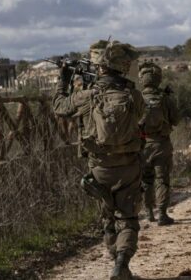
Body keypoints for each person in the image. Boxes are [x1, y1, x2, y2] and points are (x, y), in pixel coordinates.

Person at [53, 40, 143, 279]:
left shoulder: (87, 96)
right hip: (128, 166)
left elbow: (60, 108)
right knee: (129, 219)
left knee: (108, 217)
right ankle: (122, 263)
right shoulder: (133, 95)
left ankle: (116, 261)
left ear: (101, 67)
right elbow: (140, 118)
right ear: (122, 67)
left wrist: (64, 81)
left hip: (99, 167)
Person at [138, 62, 180, 225]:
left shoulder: (136, 98)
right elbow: (175, 120)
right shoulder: (165, 98)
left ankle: (149, 212)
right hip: (161, 145)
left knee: (146, 180)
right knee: (162, 180)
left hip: (142, 145)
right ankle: (162, 213)